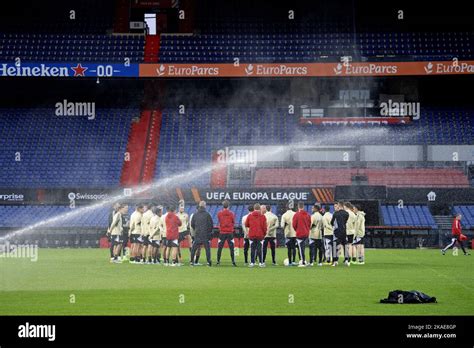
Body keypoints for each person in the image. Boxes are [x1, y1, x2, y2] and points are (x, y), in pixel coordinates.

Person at [190, 201, 213, 266]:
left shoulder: (195, 214)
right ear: (205, 206)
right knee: (207, 249)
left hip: (197, 234)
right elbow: (211, 225)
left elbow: (192, 224)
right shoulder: (207, 215)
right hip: (205, 235)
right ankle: (208, 262)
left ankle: (191, 261)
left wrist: (196, 229)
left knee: (193, 249)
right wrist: (208, 232)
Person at [245, 203, 267, 267]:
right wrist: (264, 234)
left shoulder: (249, 216)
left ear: (254, 208)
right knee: (260, 249)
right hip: (260, 235)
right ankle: (261, 263)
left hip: (252, 234)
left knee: (252, 249)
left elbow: (246, 224)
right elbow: (264, 227)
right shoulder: (263, 216)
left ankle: (252, 262)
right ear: (259, 208)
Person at [216, 200, 236, 266]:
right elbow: (233, 222)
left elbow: (219, 220)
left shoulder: (219, 213)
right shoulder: (231, 213)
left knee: (219, 247)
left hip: (222, 232)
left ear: (223, 206)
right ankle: (233, 262)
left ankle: (218, 261)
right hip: (230, 232)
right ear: (228, 206)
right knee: (232, 248)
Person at [292, 202, 311, 267]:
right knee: (302, 248)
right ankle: (304, 260)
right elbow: (309, 224)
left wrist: (297, 230)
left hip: (300, 233)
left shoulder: (296, 215)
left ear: (298, 206)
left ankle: (303, 262)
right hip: (306, 233)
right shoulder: (307, 214)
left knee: (300, 248)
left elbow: (294, 225)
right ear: (303, 206)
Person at [331, 202, 350, 266]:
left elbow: (332, 222)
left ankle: (335, 261)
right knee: (345, 246)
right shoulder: (346, 213)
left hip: (337, 232)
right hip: (344, 232)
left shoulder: (336, 213)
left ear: (339, 206)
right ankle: (347, 260)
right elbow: (345, 221)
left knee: (335, 246)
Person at [281, 202, 297, 266]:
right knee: (294, 248)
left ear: (286, 207)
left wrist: (286, 226)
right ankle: (293, 261)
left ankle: (290, 262)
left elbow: (282, 226)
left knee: (289, 249)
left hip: (288, 234)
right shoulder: (295, 214)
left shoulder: (284, 215)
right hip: (295, 233)